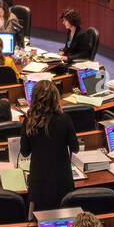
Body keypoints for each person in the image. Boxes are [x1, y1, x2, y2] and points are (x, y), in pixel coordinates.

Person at [20, 79, 79, 213]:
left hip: (39, 182)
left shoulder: (29, 121)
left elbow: (24, 152)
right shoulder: (65, 119)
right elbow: (75, 148)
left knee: (43, 222)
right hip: (63, 181)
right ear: (55, 97)